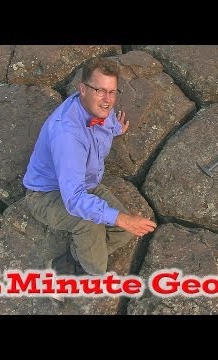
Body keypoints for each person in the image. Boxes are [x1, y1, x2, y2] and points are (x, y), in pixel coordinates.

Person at [23, 56, 157, 278]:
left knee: (125, 232)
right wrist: (122, 219)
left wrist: (115, 129)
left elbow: (107, 120)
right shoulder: (68, 136)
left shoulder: (99, 110)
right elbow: (73, 199)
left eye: (112, 92)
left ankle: (83, 252)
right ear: (82, 89)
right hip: (47, 195)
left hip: (87, 183)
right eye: (100, 91)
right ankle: (75, 267)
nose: (107, 100)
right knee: (93, 238)